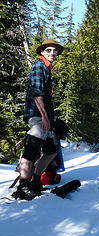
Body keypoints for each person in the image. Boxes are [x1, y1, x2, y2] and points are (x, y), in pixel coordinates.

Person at [12, 39, 64, 200]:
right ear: (42, 51)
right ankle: (23, 186)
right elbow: (36, 92)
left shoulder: (46, 68)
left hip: (44, 116)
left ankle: (35, 181)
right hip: (37, 115)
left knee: (51, 150)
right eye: (49, 50)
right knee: (32, 148)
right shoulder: (39, 67)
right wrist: (44, 116)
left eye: (55, 51)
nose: (52, 53)